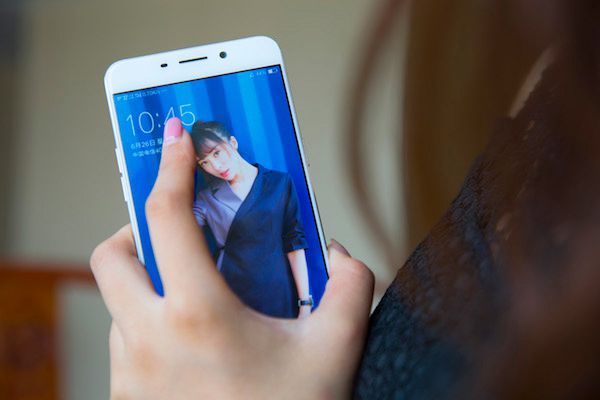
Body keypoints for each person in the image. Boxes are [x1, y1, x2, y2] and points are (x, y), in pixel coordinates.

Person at [189, 120, 312, 318]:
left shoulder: (279, 183)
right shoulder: (206, 198)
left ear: (233, 142)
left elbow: (294, 243)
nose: (215, 166)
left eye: (216, 153)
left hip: (277, 291)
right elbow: (181, 237)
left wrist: (305, 303)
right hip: (230, 294)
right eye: (204, 162)